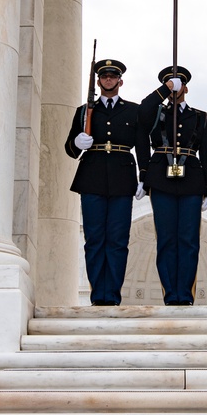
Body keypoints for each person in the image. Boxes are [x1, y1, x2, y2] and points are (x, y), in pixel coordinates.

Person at [65, 59, 149, 306]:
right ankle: (97, 295)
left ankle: (112, 294)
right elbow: (70, 149)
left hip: (123, 179)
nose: (108, 80)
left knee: (118, 240)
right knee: (94, 240)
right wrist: (77, 143)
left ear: (120, 81)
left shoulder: (133, 111)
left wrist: (144, 176)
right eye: (104, 76)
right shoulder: (83, 111)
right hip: (92, 178)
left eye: (113, 76)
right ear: (99, 81)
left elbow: (143, 146)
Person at [138, 66, 207, 306]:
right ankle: (170, 294)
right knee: (166, 239)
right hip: (161, 179)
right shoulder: (156, 113)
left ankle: (186, 294)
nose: (176, 88)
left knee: (189, 240)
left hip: (192, 180)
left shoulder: (201, 117)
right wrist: (166, 89)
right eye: (172, 84)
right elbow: (142, 112)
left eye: (179, 84)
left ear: (187, 88)